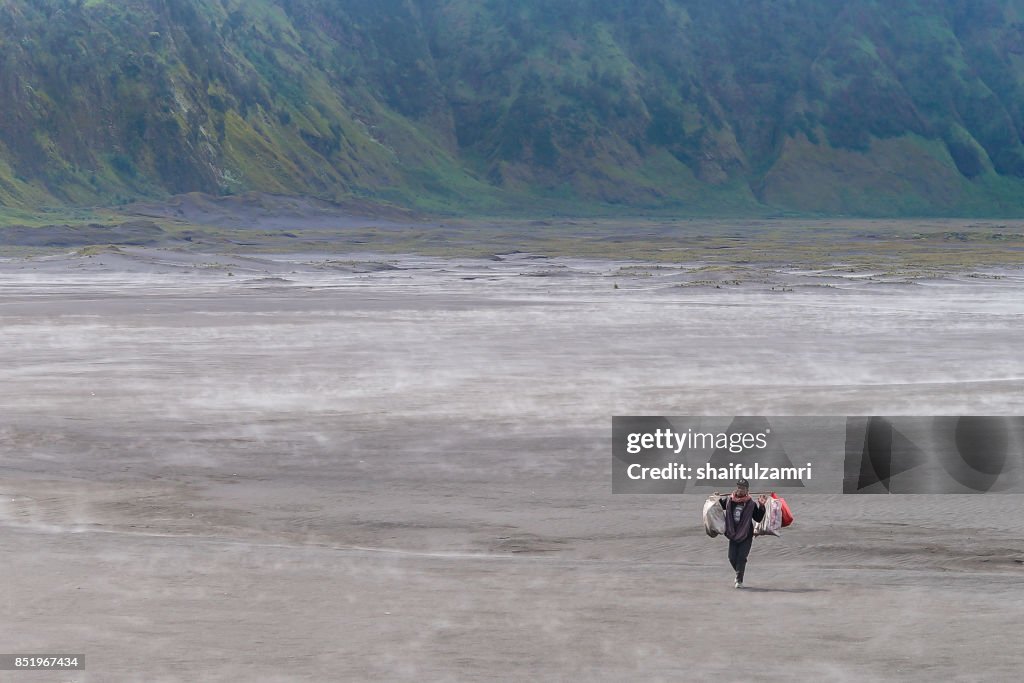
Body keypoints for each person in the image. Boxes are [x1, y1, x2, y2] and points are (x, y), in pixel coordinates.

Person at [719, 479, 767, 589]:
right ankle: (739, 573)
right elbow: (717, 505)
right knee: (731, 557)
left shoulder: (751, 504)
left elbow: (758, 518)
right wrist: (715, 498)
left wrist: (762, 506)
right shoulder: (728, 500)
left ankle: (739, 580)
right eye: (739, 487)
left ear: (747, 490)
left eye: (743, 488)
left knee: (741, 557)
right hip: (733, 534)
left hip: (746, 535)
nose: (740, 490)